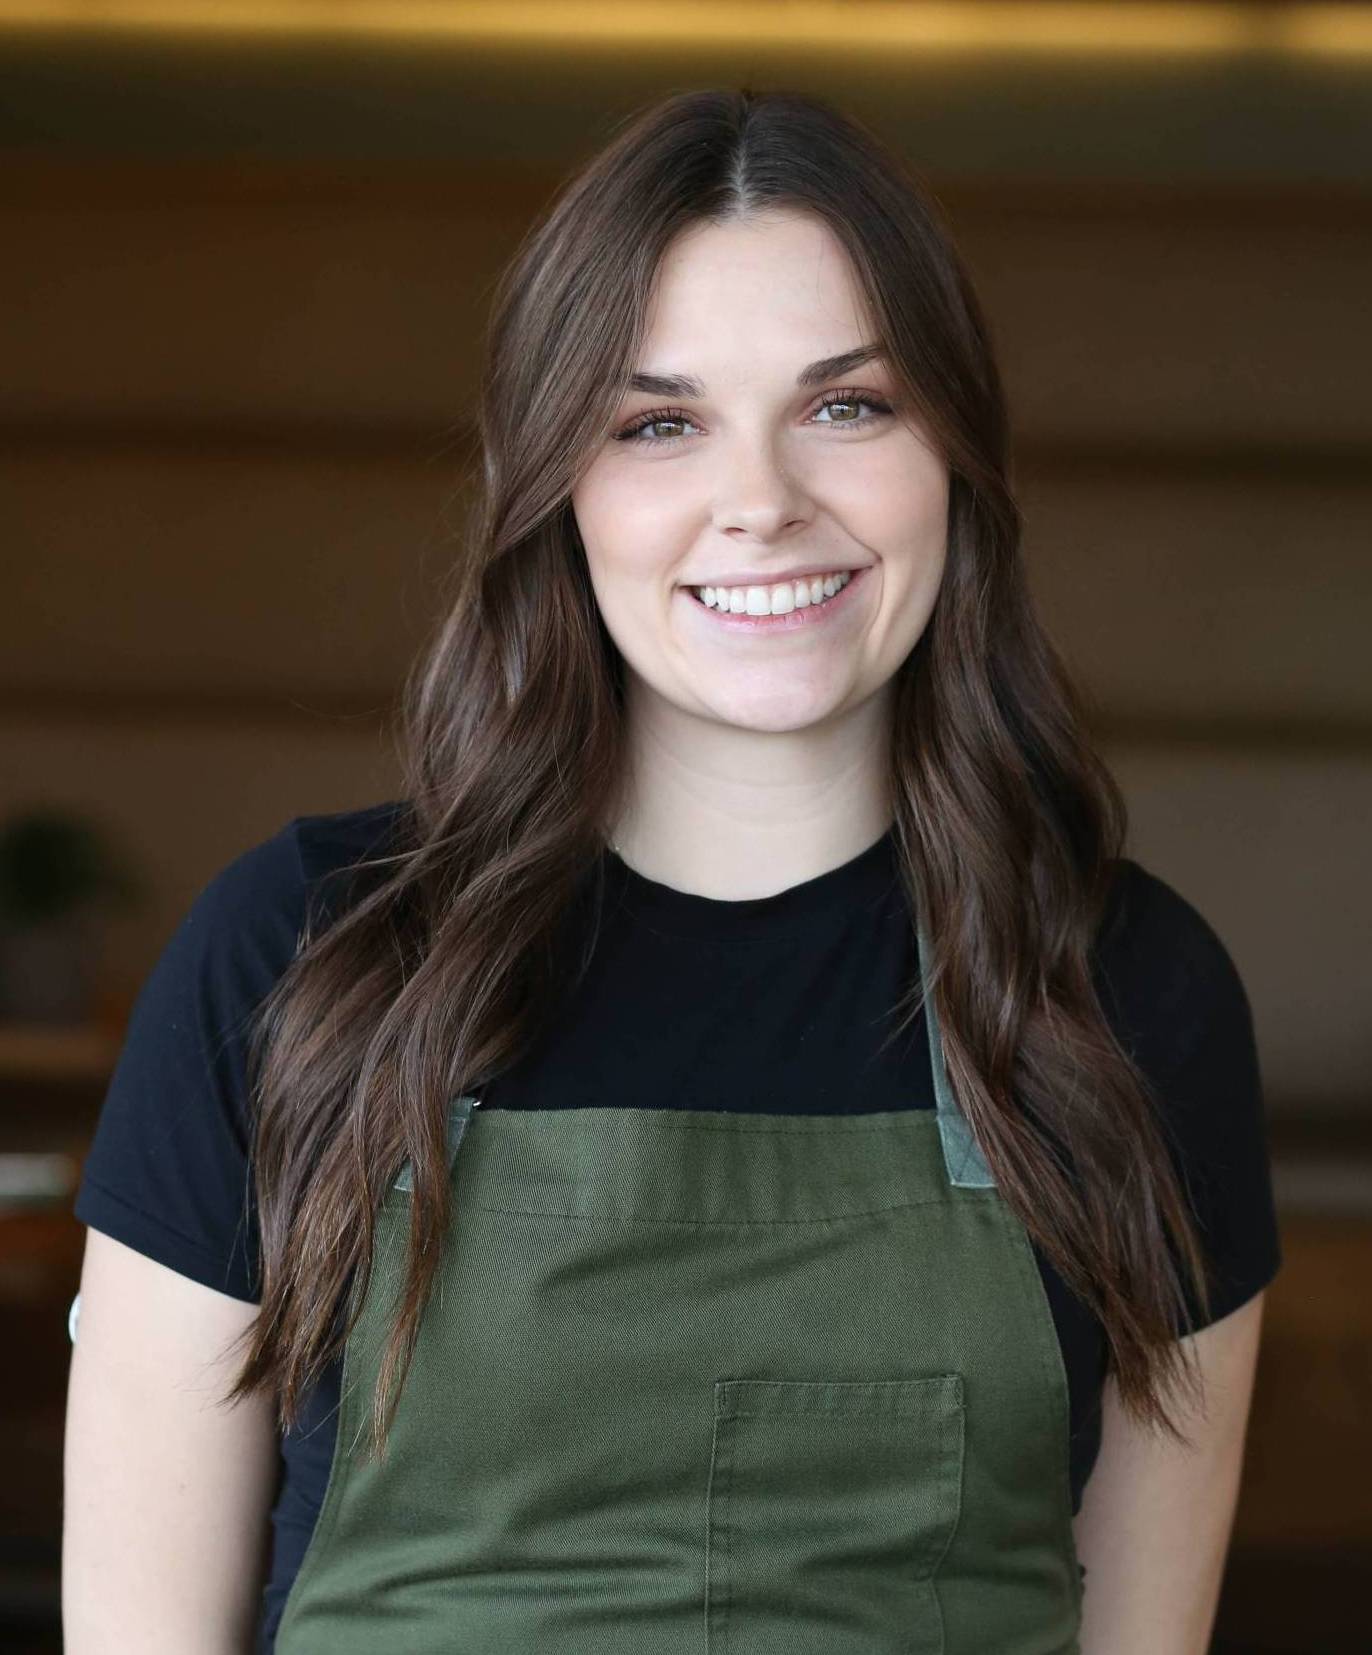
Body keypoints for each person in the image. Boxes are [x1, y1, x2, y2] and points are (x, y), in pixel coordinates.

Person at [63, 87, 1282, 1654]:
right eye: (659, 424)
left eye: (849, 405)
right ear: (556, 488)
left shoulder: (1126, 994)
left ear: (958, 454)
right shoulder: (305, 958)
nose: (761, 501)